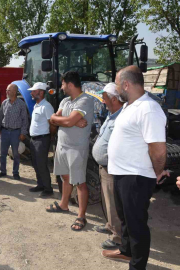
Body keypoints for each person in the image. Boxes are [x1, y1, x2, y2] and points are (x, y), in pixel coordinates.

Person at [102, 66, 168, 270]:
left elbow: (158, 149)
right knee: (125, 220)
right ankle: (126, 251)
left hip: (137, 177)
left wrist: (158, 173)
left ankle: (137, 266)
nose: (115, 88)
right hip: (123, 174)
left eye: (116, 83)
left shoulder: (149, 109)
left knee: (136, 224)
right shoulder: (130, 105)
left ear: (126, 84)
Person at [46, 71, 94, 232]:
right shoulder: (65, 101)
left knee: (80, 182)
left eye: (63, 84)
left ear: (70, 84)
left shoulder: (85, 100)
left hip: (76, 148)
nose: (61, 87)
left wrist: (67, 121)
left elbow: (63, 120)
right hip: (62, 146)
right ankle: (64, 204)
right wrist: (69, 121)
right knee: (65, 177)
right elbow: (53, 119)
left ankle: (81, 216)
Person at [91, 83, 123, 250]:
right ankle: (110, 225)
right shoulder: (111, 115)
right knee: (107, 200)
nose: (102, 102)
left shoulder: (121, 118)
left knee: (113, 203)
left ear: (113, 99)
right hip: (104, 166)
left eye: (104, 98)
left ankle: (118, 237)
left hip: (112, 168)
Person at [25, 82, 56, 196]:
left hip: (42, 140)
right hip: (34, 139)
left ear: (41, 92)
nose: (31, 93)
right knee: (36, 163)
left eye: (34, 91)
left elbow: (52, 124)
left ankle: (48, 189)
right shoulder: (37, 105)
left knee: (42, 164)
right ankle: (40, 184)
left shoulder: (46, 106)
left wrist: (50, 136)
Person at [0, 84, 28, 180]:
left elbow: (25, 120)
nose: (6, 92)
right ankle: (2, 171)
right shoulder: (4, 103)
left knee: (16, 154)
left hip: (15, 133)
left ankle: (15, 172)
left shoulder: (21, 104)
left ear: (14, 92)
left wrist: (23, 133)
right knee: (2, 153)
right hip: (4, 131)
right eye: (6, 90)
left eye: (8, 90)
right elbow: (0, 116)